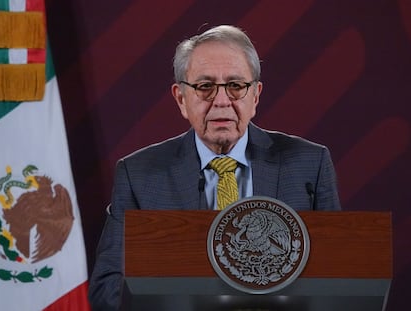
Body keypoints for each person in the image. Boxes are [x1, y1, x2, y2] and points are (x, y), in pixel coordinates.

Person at [88, 24, 341, 310]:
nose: (221, 101)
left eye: (235, 86)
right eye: (205, 87)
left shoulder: (309, 164)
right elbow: (107, 288)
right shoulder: (138, 175)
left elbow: (340, 277)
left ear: (255, 95)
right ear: (181, 98)